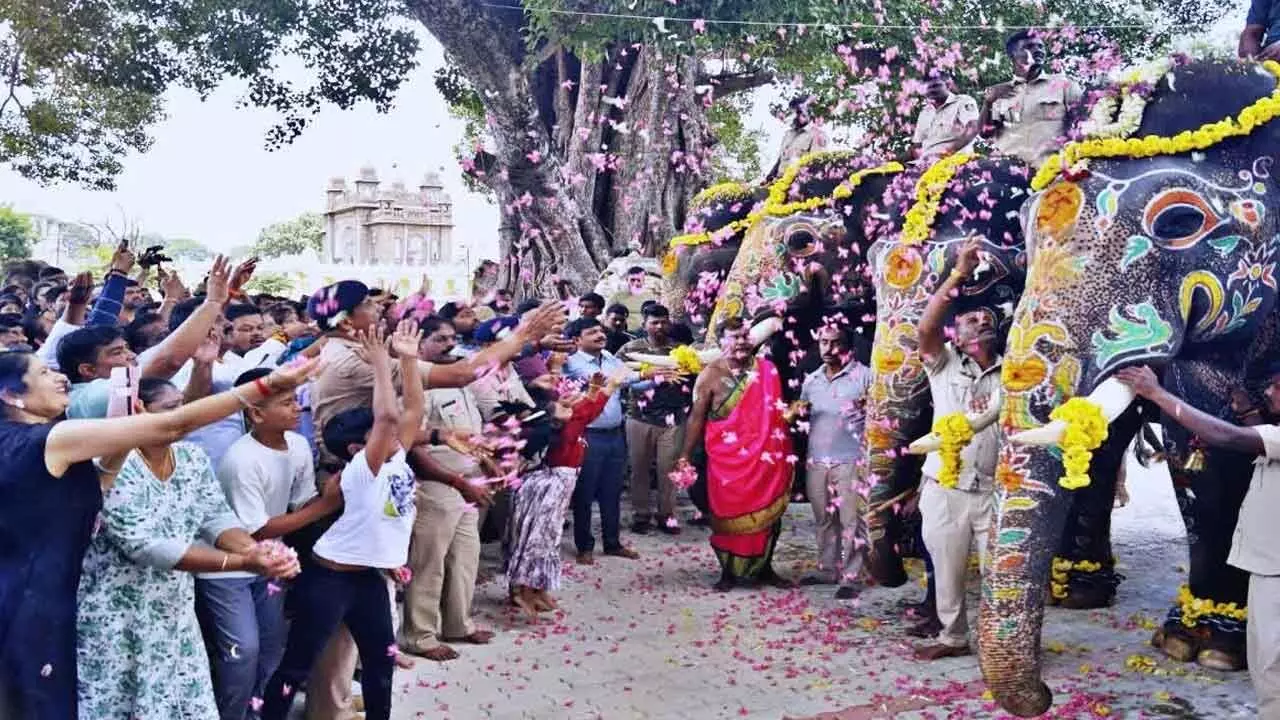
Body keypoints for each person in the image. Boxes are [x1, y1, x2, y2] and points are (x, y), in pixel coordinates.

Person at [0, 349, 316, 719]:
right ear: (10, 394)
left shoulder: (45, 443)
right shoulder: (46, 441)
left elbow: (98, 486)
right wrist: (264, 387)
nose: (60, 378)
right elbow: (174, 428)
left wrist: (255, 550)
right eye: (42, 373)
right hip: (67, 611)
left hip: (121, 606)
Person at [75, 378, 302, 719]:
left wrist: (260, 550)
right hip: (118, 618)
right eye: (170, 410)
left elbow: (216, 516)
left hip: (173, 612)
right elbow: (146, 547)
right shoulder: (110, 466)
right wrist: (242, 561)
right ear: (139, 410)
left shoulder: (191, 457)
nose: (181, 416)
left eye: (183, 406)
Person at [261, 322, 425, 720]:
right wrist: (383, 367)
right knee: (297, 664)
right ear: (357, 447)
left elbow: (413, 410)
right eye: (375, 436)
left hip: (367, 578)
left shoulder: (395, 457)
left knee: (381, 662)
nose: (388, 435)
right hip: (330, 580)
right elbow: (386, 418)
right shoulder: (360, 472)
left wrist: (408, 359)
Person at [1114, 364, 1280, 713]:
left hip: (1273, 570)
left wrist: (1157, 393)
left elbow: (1230, 439)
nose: (1268, 391)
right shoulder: (1270, 433)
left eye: (1276, 386)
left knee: (1270, 667)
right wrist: (1249, 412)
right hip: (1261, 562)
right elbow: (1254, 442)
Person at [196, 367, 343, 720]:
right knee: (242, 650)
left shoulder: (296, 445)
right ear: (256, 413)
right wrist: (326, 505)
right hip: (228, 566)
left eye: (296, 401)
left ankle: (259, 711)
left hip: (269, 563)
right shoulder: (242, 461)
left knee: (273, 647)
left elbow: (300, 503)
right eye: (286, 403)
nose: (297, 409)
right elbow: (256, 531)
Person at [911, 237, 1002, 661]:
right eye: (970, 317)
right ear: (957, 333)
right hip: (945, 488)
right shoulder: (944, 361)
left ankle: (1001, 643)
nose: (981, 320)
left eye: (986, 316)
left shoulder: (1016, 368)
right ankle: (953, 637)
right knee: (947, 572)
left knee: (1000, 574)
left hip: (995, 489)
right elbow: (924, 330)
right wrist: (959, 273)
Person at [399, 316, 494, 662]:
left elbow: (468, 435)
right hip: (436, 486)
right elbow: (413, 446)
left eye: (452, 338)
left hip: (468, 483)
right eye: (439, 339)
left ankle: (458, 624)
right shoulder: (414, 385)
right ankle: (419, 635)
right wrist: (456, 481)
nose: (449, 344)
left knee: (465, 556)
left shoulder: (460, 380)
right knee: (429, 562)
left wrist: (486, 463)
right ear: (419, 344)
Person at [675, 317, 795, 592]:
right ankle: (727, 573)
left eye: (744, 336)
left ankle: (765, 568)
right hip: (727, 462)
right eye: (734, 337)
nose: (741, 342)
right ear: (721, 342)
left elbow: (776, 411)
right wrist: (685, 455)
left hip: (766, 458)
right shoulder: (710, 375)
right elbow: (696, 418)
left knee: (769, 518)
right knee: (725, 517)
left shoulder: (768, 369)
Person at [506, 379, 619, 615]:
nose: (571, 405)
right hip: (550, 487)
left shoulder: (560, 425)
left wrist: (593, 391)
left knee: (547, 540)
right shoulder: (564, 429)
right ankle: (523, 591)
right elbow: (587, 411)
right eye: (563, 406)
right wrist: (606, 387)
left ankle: (538, 588)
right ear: (551, 416)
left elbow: (585, 409)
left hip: (557, 485)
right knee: (537, 540)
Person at [796, 324, 872, 599]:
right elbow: (803, 412)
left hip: (851, 459)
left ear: (847, 345)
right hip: (817, 460)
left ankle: (852, 575)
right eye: (823, 342)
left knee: (851, 520)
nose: (828, 349)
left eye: (835, 342)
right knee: (824, 518)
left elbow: (878, 418)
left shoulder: (864, 377)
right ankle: (828, 568)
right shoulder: (812, 379)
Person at [563, 317, 640, 564]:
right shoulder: (571, 364)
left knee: (612, 491)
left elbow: (630, 380)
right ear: (577, 340)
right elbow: (610, 382)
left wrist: (660, 376)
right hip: (588, 434)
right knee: (585, 492)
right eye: (592, 332)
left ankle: (612, 543)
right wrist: (645, 373)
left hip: (614, 434)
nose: (600, 334)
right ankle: (584, 545)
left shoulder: (610, 357)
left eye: (600, 330)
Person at [617, 305, 691, 534]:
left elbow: (693, 377)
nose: (659, 327)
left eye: (663, 322)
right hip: (639, 417)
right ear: (644, 324)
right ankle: (641, 515)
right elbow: (620, 379)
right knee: (639, 468)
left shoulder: (680, 350)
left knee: (667, 470)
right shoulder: (629, 349)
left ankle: (666, 515)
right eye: (654, 322)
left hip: (673, 419)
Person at [979, 30, 1083, 168]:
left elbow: (1082, 126)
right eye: (1029, 47)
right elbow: (985, 133)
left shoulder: (1064, 84)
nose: (1038, 50)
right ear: (1013, 55)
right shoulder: (999, 92)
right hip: (1009, 175)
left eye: (1041, 47)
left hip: (1053, 173)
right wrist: (988, 103)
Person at [913, 73, 979, 162]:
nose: (931, 90)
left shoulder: (963, 101)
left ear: (948, 85)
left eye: (936, 86)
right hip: (927, 164)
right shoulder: (924, 112)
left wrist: (944, 154)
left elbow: (972, 130)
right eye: (927, 88)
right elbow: (917, 145)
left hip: (956, 161)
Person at [766, 96, 827, 181]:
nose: (794, 116)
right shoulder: (788, 134)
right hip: (778, 181)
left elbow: (815, 164)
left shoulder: (817, 135)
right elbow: (781, 160)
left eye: (797, 113)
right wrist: (768, 178)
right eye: (792, 113)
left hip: (797, 184)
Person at [606, 268, 655, 333]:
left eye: (638, 280)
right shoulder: (617, 296)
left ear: (643, 281)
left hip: (644, 333)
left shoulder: (651, 297)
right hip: (623, 332)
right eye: (632, 280)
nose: (636, 283)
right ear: (627, 280)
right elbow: (608, 316)